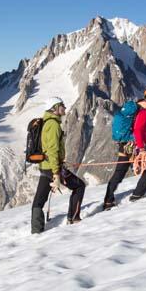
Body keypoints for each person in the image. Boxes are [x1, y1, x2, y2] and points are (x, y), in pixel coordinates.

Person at [30, 97, 86, 234]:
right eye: (62, 105)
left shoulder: (46, 122)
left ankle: (36, 231)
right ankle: (73, 218)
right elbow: (53, 149)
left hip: (45, 165)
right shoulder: (53, 125)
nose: (65, 108)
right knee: (79, 186)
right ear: (54, 108)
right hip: (53, 167)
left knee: (39, 199)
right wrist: (56, 173)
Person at [103, 86, 146, 209]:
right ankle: (137, 196)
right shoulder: (145, 112)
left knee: (119, 173)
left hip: (125, 145)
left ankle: (108, 201)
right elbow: (138, 130)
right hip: (134, 146)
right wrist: (141, 148)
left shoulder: (139, 106)